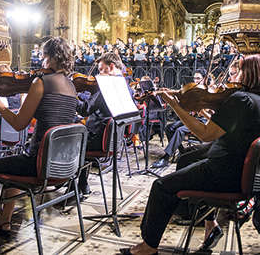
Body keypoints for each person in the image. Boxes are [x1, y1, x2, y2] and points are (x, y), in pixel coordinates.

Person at [120, 54, 260, 255]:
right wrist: (203, 111)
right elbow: (224, 128)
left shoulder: (241, 98)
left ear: (249, 74)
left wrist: (174, 105)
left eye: (238, 72)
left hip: (222, 173)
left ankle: (148, 247)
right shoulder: (255, 100)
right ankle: (209, 224)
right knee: (187, 158)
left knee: (161, 187)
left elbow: (205, 135)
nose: (234, 76)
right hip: (239, 173)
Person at [0, 37, 77, 237]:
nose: (41, 62)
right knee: (14, 171)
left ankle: (5, 217)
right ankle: (4, 221)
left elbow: (18, 123)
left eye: (43, 57)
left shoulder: (42, 82)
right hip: (64, 166)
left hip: (38, 163)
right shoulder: (72, 87)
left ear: (51, 58)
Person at [77, 52, 134, 194]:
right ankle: (81, 184)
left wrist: (71, 95)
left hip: (98, 140)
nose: (99, 73)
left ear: (111, 66)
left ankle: (74, 185)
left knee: (67, 142)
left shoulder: (108, 88)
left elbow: (85, 110)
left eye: (102, 69)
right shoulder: (127, 87)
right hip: (113, 141)